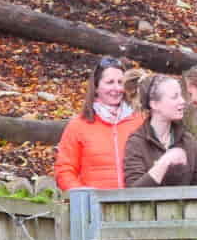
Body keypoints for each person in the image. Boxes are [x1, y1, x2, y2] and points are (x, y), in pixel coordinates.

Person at [52, 57, 146, 191]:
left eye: (120, 82)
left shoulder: (140, 121)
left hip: (136, 202)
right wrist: (82, 195)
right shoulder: (78, 125)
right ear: (96, 87)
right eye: (110, 82)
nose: (117, 88)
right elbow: (64, 169)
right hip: (94, 202)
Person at [123, 74, 197, 187]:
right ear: (154, 104)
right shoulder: (136, 143)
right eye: (174, 97)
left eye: (181, 95)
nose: (182, 101)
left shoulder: (188, 141)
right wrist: (165, 162)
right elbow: (133, 193)